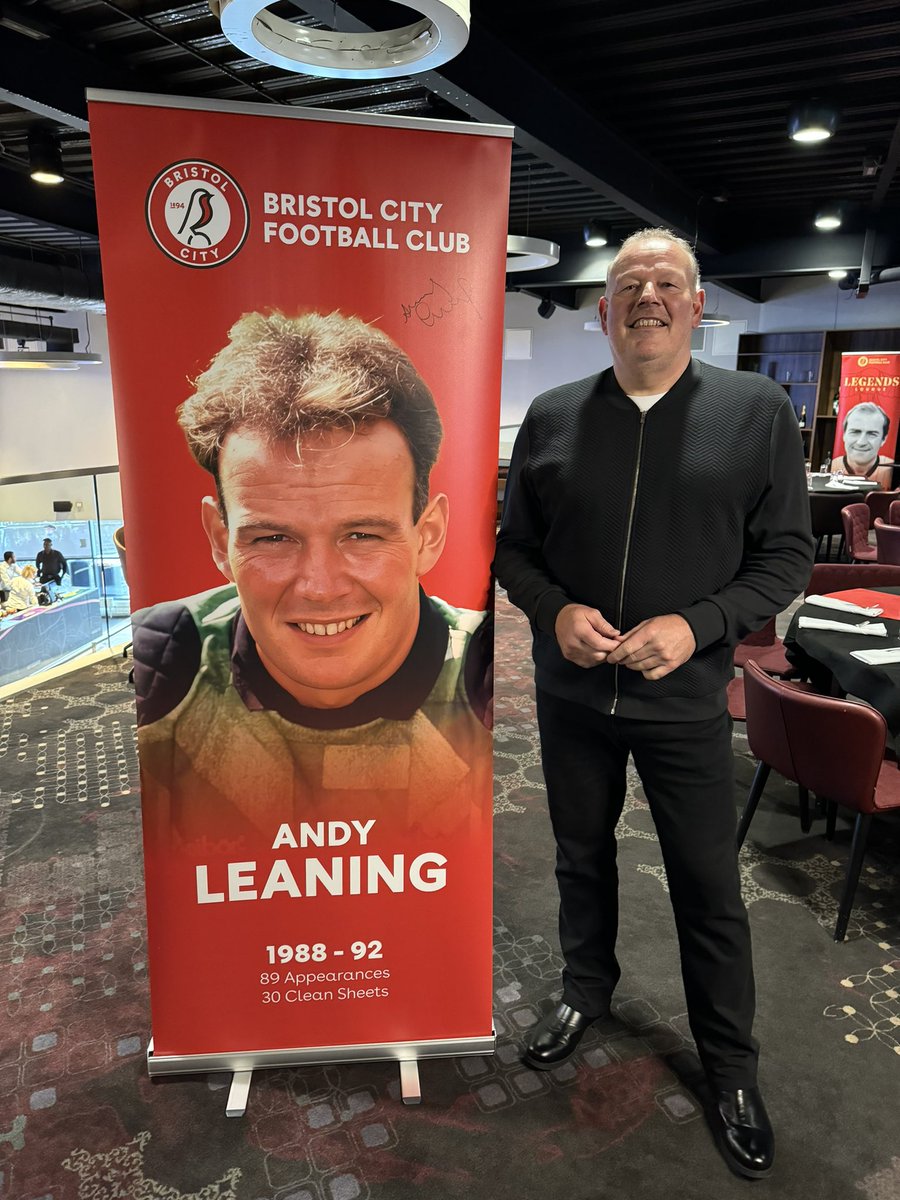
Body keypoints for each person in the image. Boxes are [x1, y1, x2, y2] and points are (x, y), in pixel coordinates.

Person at [494, 228, 814, 1180]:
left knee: (708, 886)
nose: (648, 296)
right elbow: (513, 550)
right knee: (579, 857)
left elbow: (786, 556)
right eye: (629, 284)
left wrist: (699, 623)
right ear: (603, 311)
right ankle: (585, 989)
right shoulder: (553, 415)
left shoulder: (754, 412)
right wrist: (554, 612)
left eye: (667, 282)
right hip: (573, 697)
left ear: (696, 306)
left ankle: (731, 1067)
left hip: (685, 703)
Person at [133, 310, 491, 845]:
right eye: (273, 539)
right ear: (219, 540)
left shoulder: (489, 672)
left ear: (429, 535)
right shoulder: (161, 663)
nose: (320, 588)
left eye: (362, 535)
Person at [830, 401, 893, 488]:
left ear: (884, 439)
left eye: (872, 434)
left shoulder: (891, 469)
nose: (861, 442)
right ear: (844, 434)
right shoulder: (832, 466)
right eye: (855, 432)